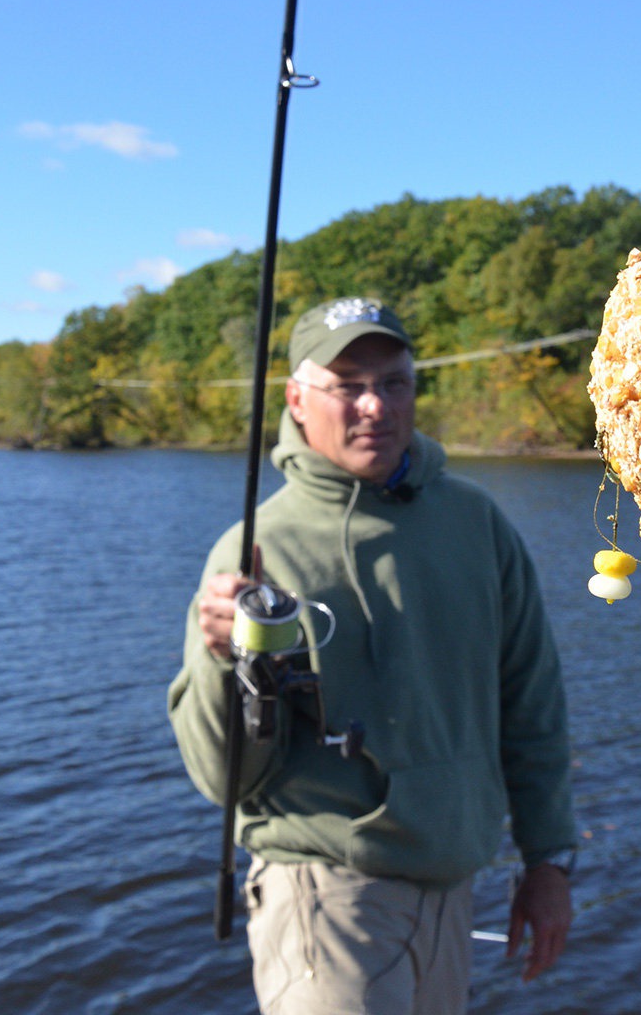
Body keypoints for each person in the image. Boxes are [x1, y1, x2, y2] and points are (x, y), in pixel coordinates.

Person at [168, 297, 577, 1015]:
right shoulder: (257, 550)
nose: (374, 406)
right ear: (297, 400)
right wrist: (223, 660)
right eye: (347, 385)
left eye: (394, 382)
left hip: (452, 888)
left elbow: (531, 702)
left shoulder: (477, 521)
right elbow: (224, 778)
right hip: (324, 897)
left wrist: (547, 860)